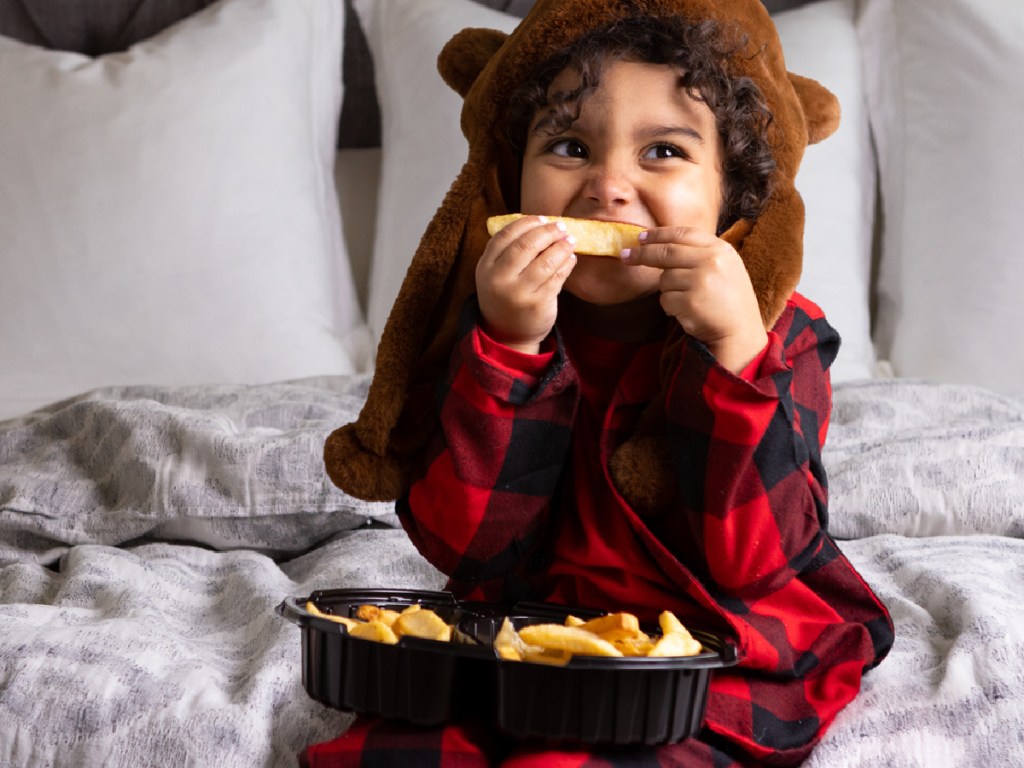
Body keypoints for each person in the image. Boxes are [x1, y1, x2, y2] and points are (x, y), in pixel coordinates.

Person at [315, 1, 893, 766]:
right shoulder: (492, 326)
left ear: (734, 195)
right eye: (569, 145)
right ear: (511, 181)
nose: (607, 186)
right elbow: (464, 542)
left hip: (718, 642)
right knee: (387, 750)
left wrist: (733, 351)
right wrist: (509, 349)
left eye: (661, 152)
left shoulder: (778, 334)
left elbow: (760, 554)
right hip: (536, 627)